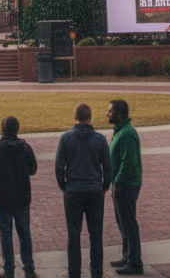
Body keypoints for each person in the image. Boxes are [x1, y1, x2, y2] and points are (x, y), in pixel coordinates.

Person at [55, 103, 112, 278]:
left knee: (74, 235)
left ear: (76, 117)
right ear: (90, 117)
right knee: (96, 234)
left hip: (73, 190)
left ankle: (74, 272)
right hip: (94, 190)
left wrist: (64, 185)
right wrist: (104, 186)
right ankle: (96, 272)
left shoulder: (66, 138)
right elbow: (107, 167)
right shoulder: (100, 139)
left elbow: (59, 166)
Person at [0, 115, 38, 278]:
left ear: (2, 129)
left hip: (2, 197)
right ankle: (29, 268)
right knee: (24, 233)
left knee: (5, 235)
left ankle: (9, 270)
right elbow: (33, 170)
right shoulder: (26, 148)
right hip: (21, 197)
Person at [107, 100, 142, 276]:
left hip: (127, 184)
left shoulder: (127, 134)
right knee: (123, 223)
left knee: (129, 224)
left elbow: (127, 162)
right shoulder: (120, 131)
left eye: (111, 111)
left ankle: (135, 262)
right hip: (121, 183)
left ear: (120, 113)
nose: (108, 114)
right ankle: (127, 256)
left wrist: (118, 181)